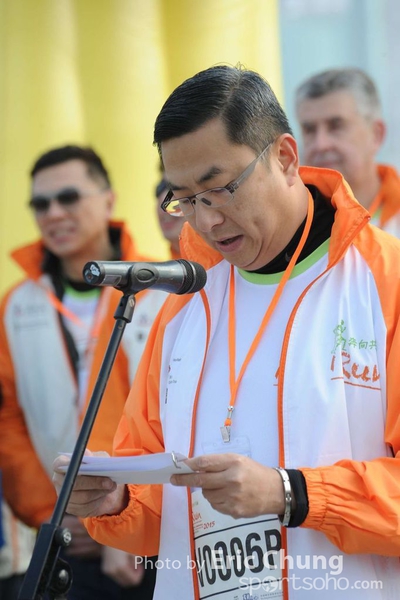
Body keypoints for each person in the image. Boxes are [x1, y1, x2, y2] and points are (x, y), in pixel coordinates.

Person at [53, 66, 400, 600]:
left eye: (219, 189)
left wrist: (292, 493)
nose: (206, 221)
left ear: (285, 157)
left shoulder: (385, 279)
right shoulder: (182, 304)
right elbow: (155, 503)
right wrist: (114, 501)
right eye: (185, 199)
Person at [0, 145, 158, 599]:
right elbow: (8, 422)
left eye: (68, 197)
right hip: (65, 539)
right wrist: (56, 513)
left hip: (152, 532)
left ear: (109, 200)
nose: (53, 213)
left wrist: (127, 510)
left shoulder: (161, 290)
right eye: (40, 204)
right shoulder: (16, 305)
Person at [295, 67, 400, 236]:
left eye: (336, 126)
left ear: (376, 134)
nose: (321, 144)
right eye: (309, 130)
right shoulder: (286, 229)